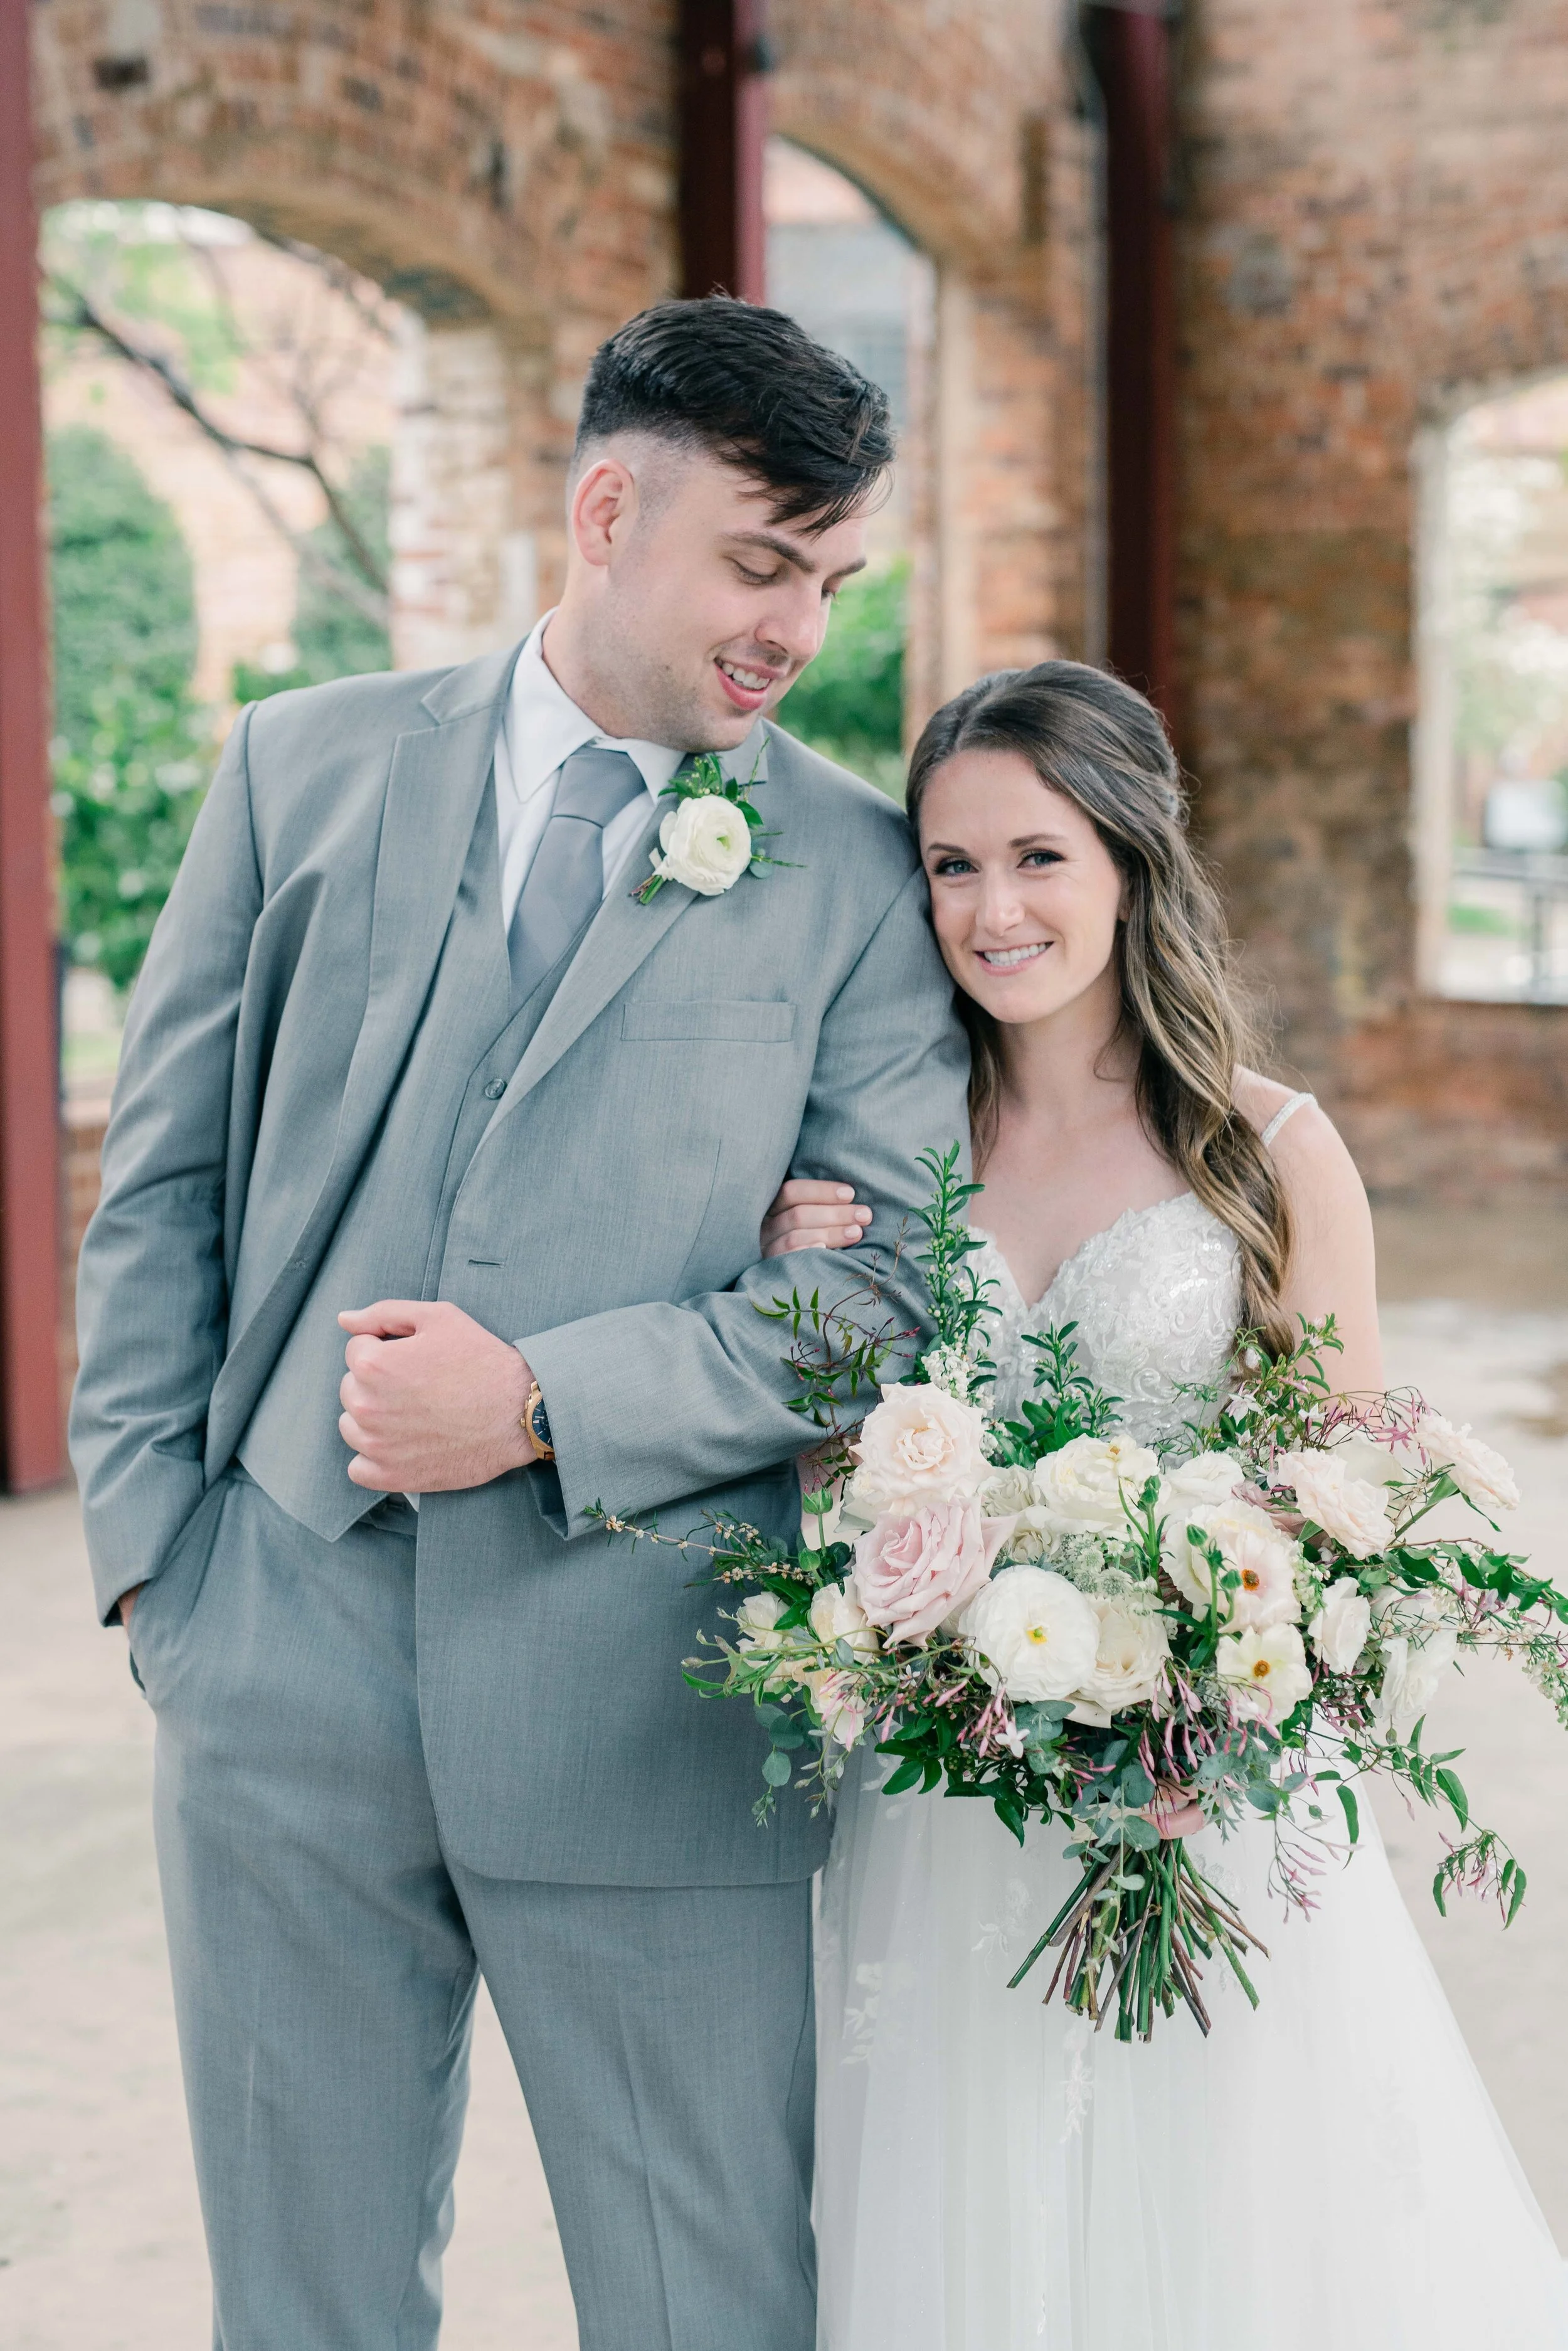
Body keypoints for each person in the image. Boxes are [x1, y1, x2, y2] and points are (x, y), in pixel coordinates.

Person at [69, 297, 970, 2351]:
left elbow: (886, 1292)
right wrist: (161, 1579)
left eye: (829, 582)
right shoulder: (299, 769)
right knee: (301, 2311)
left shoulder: (845, 865)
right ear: (601, 507)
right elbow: (164, 1192)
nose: (795, 631)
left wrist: (544, 1400)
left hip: (657, 1694)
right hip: (277, 1666)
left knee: (703, 2305)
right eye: (760, 562)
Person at [764, 662, 1568, 2351]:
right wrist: (793, 1298)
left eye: (1036, 855)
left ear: (1128, 858)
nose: (989, 909)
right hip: (947, 1798)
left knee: (1238, 2226)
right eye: (949, 865)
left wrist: (1205, 1655)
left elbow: (1347, 1486)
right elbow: (836, 1463)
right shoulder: (892, 1147)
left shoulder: (1267, 1152)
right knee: (959, 2206)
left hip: (1212, 1790)